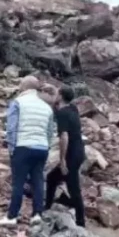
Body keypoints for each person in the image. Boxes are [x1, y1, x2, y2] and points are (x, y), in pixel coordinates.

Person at [0, 76, 56, 227]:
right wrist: (46, 146)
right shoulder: (46, 107)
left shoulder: (18, 102)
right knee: (38, 181)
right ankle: (37, 214)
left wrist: (12, 149)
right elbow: (50, 131)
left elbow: (12, 128)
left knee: (18, 182)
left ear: (24, 86)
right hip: (42, 148)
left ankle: (12, 216)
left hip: (23, 146)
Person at [43, 85, 87, 227]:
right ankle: (49, 206)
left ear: (61, 96)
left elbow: (64, 137)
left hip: (71, 155)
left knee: (74, 188)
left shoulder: (63, 113)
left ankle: (81, 223)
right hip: (80, 151)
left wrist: (62, 160)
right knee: (52, 178)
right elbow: (57, 109)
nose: (55, 95)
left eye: (57, 93)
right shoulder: (73, 109)